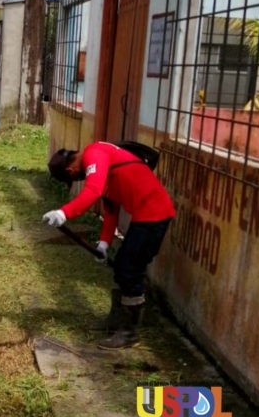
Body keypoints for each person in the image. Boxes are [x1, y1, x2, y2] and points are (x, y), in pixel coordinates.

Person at [42, 142, 175, 350]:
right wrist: (103, 244)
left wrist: (64, 213)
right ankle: (116, 319)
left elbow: (93, 191)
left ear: (70, 170)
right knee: (122, 264)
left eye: (73, 178)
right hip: (144, 216)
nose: (78, 179)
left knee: (131, 270)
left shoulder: (95, 154)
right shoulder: (101, 163)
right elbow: (111, 210)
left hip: (154, 215)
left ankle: (130, 333)